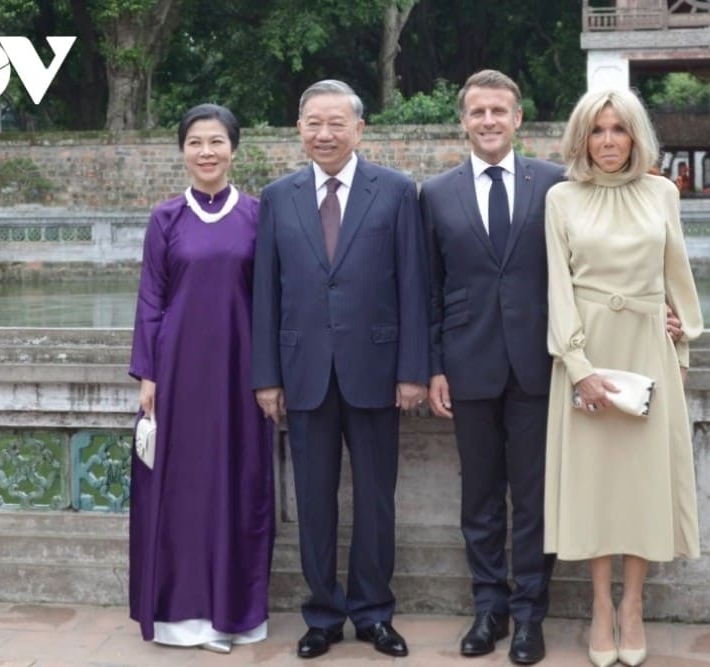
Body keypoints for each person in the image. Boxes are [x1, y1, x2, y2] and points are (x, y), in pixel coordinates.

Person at [251, 79, 429, 660]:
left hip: (377, 370)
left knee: (377, 499)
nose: (324, 134)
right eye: (312, 123)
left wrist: (413, 370)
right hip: (303, 372)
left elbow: (413, 286)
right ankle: (323, 614)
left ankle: (375, 612)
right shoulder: (278, 197)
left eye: (336, 123)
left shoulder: (398, 191)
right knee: (314, 499)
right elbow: (266, 296)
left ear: (359, 128)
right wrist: (266, 375)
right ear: (299, 128)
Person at [543, 88, 703, 667]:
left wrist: (681, 348)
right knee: (594, 487)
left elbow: (677, 275)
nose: (608, 141)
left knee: (641, 486)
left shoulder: (663, 192)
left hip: (648, 350)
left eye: (619, 130)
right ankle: (599, 609)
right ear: (581, 137)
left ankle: (632, 605)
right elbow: (558, 290)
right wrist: (579, 368)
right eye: (598, 130)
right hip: (585, 355)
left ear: (637, 137)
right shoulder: (561, 198)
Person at [420, 69, 565, 665]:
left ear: (518, 118)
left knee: (535, 500)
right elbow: (427, 289)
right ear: (463, 121)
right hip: (467, 365)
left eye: (498, 111)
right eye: (477, 112)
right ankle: (489, 610)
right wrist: (433, 366)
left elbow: (586, 270)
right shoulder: (434, 193)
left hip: (538, 365)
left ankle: (531, 616)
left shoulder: (556, 185)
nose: (488, 121)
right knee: (479, 499)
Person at [127, 103, 273, 655]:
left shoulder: (259, 215)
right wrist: (147, 374)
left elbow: (270, 300)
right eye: (195, 142)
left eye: (216, 142)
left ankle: (232, 614)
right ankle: (179, 615)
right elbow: (150, 300)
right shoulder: (165, 219)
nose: (206, 152)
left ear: (234, 148)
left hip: (241, 375)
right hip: (179, 374)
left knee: (239, 485)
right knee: (180, 491)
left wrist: (270, 377)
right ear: (182, 150)